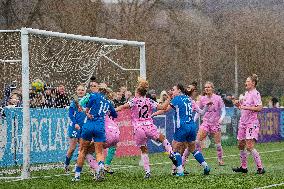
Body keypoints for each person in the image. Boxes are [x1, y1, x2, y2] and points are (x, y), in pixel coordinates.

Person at [115, 79, 175, 179]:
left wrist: (112, 110)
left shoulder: (133, 101)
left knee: (143, 149)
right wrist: (169, 98)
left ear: (137, 92)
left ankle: (147, 172)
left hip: (139, 129)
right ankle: (171, 153)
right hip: (149, 126)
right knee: (163, 139)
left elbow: (122, 107)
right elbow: (163, 107)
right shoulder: (149, 100)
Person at [153, 84, 210, 177]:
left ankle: (179, 171)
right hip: (192, 126)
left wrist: (153, 115)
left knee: (174, 148)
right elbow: (200, 112)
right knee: (192, 149)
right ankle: (206, 166)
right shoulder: (188, 99)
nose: (172, 91)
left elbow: (165, 110)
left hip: (182, 126)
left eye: (173, 89)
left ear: (179, 90)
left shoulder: (176, 99)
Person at [73, 83, 117, 182]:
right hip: (100, 126)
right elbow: (114, 114)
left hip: (89, 125)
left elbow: (85, 107)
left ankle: (77, 176)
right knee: (99, 151)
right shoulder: (108, 102)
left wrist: (86, 112)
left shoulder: (93, 96)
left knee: (83, 151)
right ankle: (101, 165)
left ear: (98, 89)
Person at [232, 74, 265, 174]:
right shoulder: (246, 93)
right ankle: (244, 167)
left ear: (253, 83)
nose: (245, 82)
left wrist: (247, 107)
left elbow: (259, 107)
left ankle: (260, 168)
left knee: (249, 146)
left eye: (247, 81)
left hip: (251, 123)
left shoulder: (256, 93)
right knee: (240, 145)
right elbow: (242, 107)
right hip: (243, 122)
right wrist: (237, 104)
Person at [195, 81, 226, 166]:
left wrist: (221, 119)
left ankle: (220, 160)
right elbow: (198, 111)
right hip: (206, 123)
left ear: (212, 88)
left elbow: (223, 110)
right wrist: (194, 120)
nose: (207, 89)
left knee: (218, 144)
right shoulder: (202, 99)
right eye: (205, 87)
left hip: (215, 123)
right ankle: (201, 161)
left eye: (209, 87)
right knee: (197, 141)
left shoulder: (218, 98)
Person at [64, 84, 87, 173]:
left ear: (85, 91)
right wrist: (75, 123)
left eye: (82, 90)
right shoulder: (74, 101)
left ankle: (77, 166)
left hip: (83, 127)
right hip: (74, 127)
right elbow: (70, 114)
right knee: (72, 148)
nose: (80, 91)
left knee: (81, 148)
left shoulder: (87, 101)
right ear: (76, 91)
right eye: (79, 90)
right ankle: (66, 164)